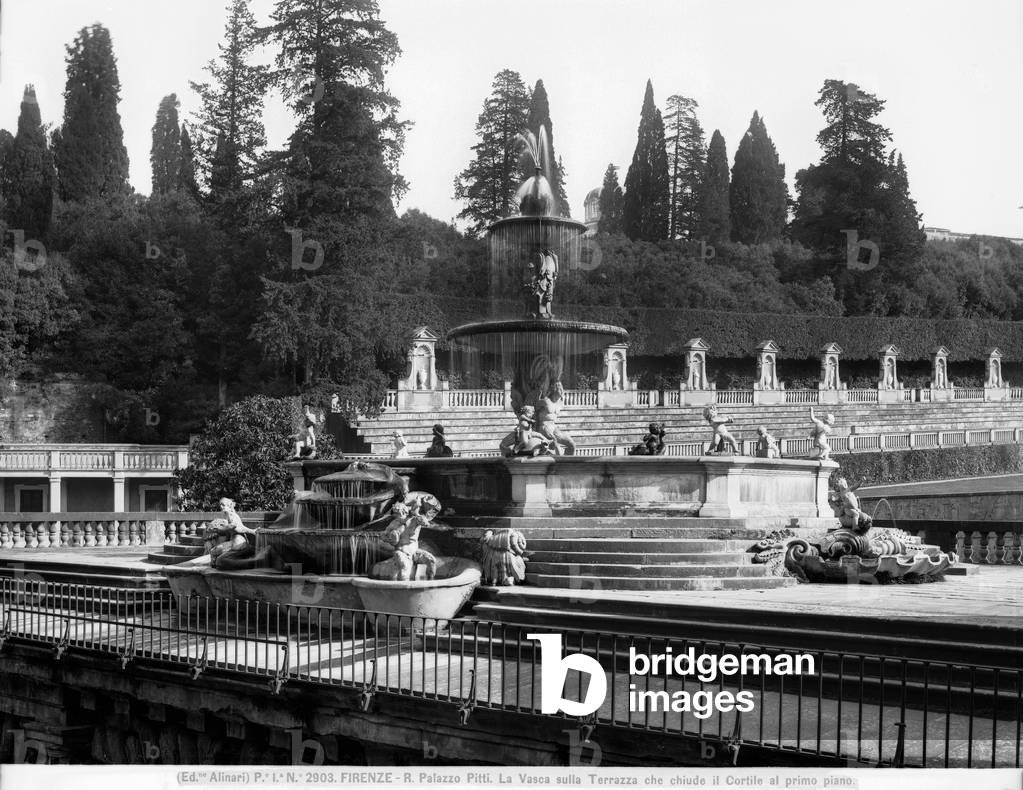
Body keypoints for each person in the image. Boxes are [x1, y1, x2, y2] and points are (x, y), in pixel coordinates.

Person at [536, 381, 575, 455]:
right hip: (544, 426)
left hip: (553, 426)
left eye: (562, 389)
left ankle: (569, 463)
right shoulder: (545, 401)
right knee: (555, 443)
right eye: (559, 389)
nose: (562, 392)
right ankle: (560, 463)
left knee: (571, 444)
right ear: (554, 390)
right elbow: (534, 408)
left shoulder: (560, 403)